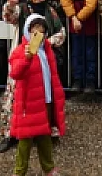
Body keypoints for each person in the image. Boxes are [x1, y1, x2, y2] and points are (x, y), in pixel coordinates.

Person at [9, 14, 66, 176]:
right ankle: (19, 172)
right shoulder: (20, 51)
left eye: (41, 33)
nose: (38, 36)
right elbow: (15, 73)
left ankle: (49, 168)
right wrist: (27, 58)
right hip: (29, 103)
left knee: (45, 136)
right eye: (34, 33)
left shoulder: (47, 49)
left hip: (46, 100)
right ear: (28, 32)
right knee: (25, 141)